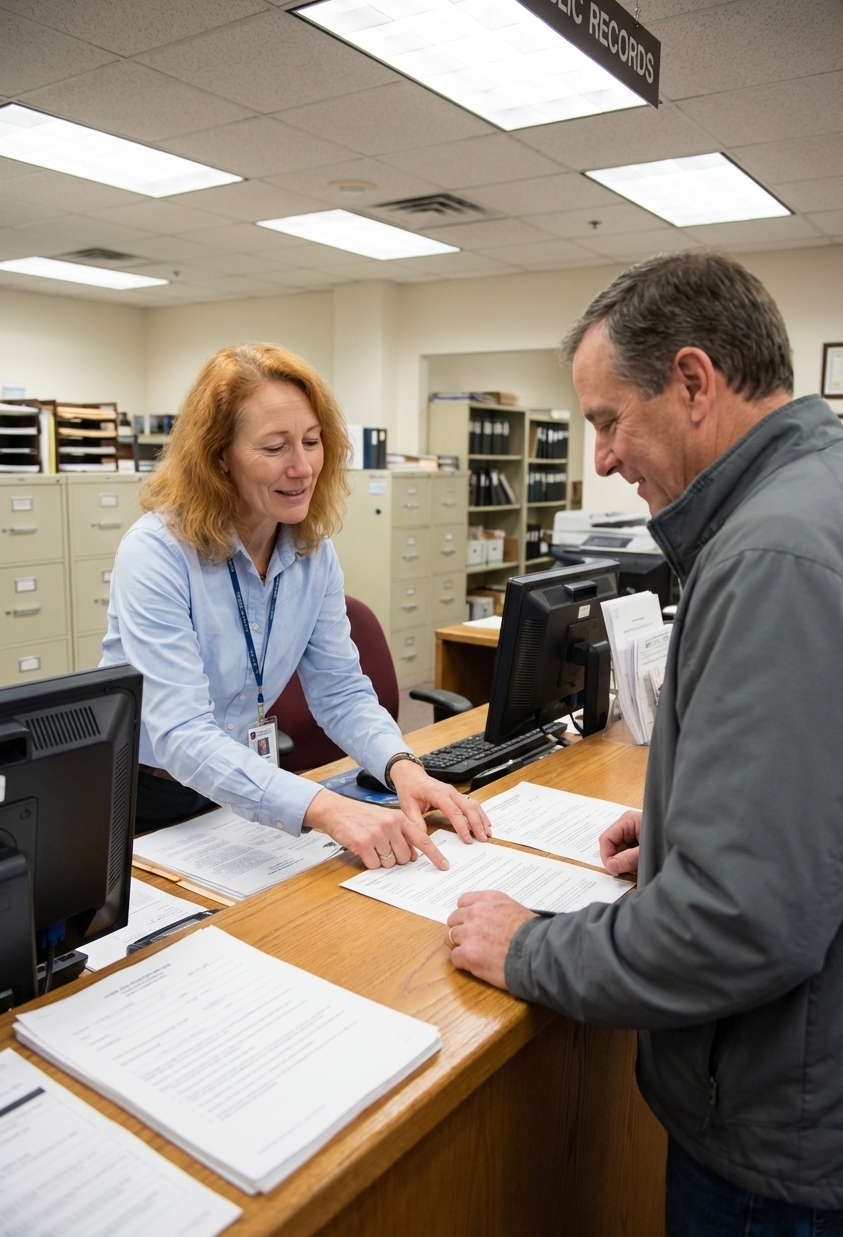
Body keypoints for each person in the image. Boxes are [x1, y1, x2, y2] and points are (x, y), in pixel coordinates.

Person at [445, 251, 843, 1234]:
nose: (604, 460)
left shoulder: (773, 553)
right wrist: (686, 827)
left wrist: (532, 948)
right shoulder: (815, 498)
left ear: (696, 383)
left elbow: (746, 921)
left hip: (780, 1140)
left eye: (608, 420)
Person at [102, 342, 489, 868]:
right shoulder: (156, 554)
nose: (303, 466)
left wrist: (403, 766)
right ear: (219, 458)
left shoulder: (312, 551)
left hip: (241, 787)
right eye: (275, 447)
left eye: (312, 441)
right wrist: (327, 808)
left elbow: (342, 691)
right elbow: (181, 734)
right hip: (147, 799)